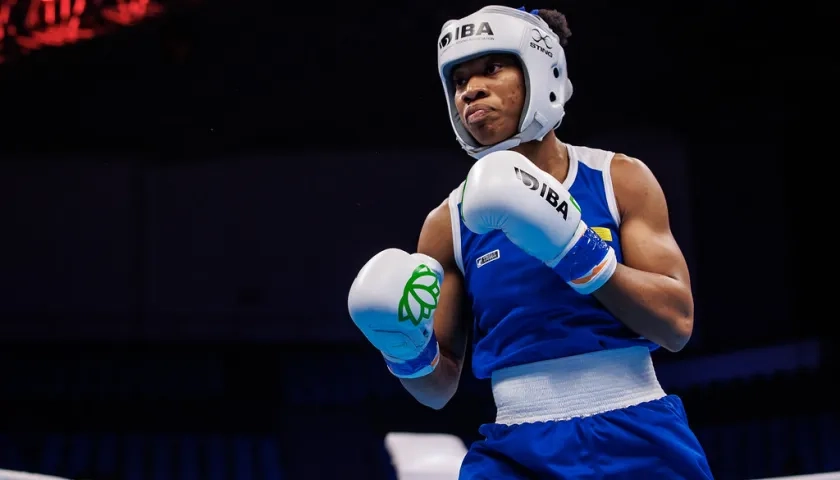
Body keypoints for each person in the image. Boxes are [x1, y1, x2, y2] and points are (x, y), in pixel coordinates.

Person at [348, 5, 713, 479]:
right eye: (458, 80)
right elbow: (437, 390)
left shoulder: (617, 179)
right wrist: (403, 349)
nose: (470, 90)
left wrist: (574, 247)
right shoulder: (447, 223)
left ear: (543, 72)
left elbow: (677, 323)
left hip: (635, 428)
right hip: (515, 448)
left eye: (491, 68)